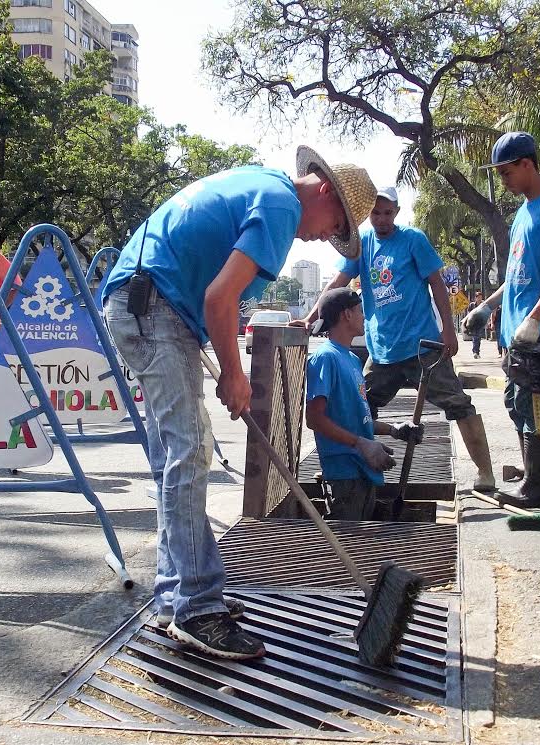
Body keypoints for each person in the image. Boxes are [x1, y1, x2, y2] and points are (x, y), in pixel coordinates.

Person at [102, 146, 377, 660]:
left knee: (175, 459)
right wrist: (234, 372)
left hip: (148, 303)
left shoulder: (263, 186)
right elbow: (219, 297)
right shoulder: (280, 206)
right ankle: (196, 608)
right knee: (189, 451)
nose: (323, 238)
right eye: (334, 225)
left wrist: (218, 354)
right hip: (153, 306)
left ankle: (177, 594)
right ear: (323, 192)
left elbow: (211, 294)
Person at [300, 186, 496, 493]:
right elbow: (338, 283)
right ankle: (353, 470)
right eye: (375, 213)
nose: (381, 219)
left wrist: (448, 329)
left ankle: (485, 473)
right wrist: (311, 318)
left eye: (387, 213)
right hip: (382, 351)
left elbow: (437, 284)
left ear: (397, 212)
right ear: (368, 214)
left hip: (422, 347)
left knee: (458, 404)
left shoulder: (412, 240)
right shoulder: (362, 244)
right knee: (359, 406)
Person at [463, 132, 540, 508]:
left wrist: (535, 318)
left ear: (527, 165)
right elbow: (515, 279)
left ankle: (539, 487)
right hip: (517, 339)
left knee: (537, 411)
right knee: (519, 405)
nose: (503, 181)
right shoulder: (522, 217)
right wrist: (487, 308)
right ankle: (533, 476)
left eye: (506, 172)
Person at [306, 288, 423, 520]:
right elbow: (314, 419)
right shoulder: (325, 358)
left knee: (360, 545)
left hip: (363, 468)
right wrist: (360, 443)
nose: (365, 316)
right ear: (346, 315)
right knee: (346, 543)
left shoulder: (350, 359)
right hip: (344, 474)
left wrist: (393, 429)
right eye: (360, 311)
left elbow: (357, 417)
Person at [466, 291, 485, 358]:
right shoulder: (472, 305)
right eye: (478, 297)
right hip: (473, 323)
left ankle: (477, 351)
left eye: (480, 297)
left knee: (478, 338)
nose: (479, 299)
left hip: (481, 323)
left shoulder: (483, 304)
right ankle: (475, 352)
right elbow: (468, 313)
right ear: (475, 298)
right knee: (475, 337)